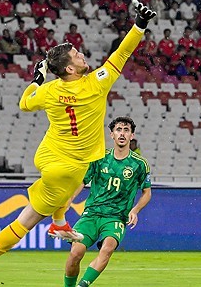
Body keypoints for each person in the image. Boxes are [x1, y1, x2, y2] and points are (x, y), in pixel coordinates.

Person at [0, 0, 156, 283]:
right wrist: (139, 25)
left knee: (43, 209)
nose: (82, 56)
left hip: (47, 156)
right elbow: (122, 53)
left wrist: (37, 79)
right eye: (77, 56)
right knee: (25, 222)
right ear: (70, 69)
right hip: (70, 168)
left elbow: (25, 103)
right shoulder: (96, 83)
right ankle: (54, 226)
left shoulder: (50, 90)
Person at [64, 116, 152, 287]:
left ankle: (83, 286)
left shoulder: (139, 164)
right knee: (75, 253)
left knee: (108, 248)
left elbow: (147, 193)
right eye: (118, 129)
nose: (122, 133)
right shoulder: (99, 158)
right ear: (111, 134)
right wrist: (69, 200)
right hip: (92, 214)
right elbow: (82, 181)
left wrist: (135, 210)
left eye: (126, 130)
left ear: (131, 136)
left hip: (116, 218)